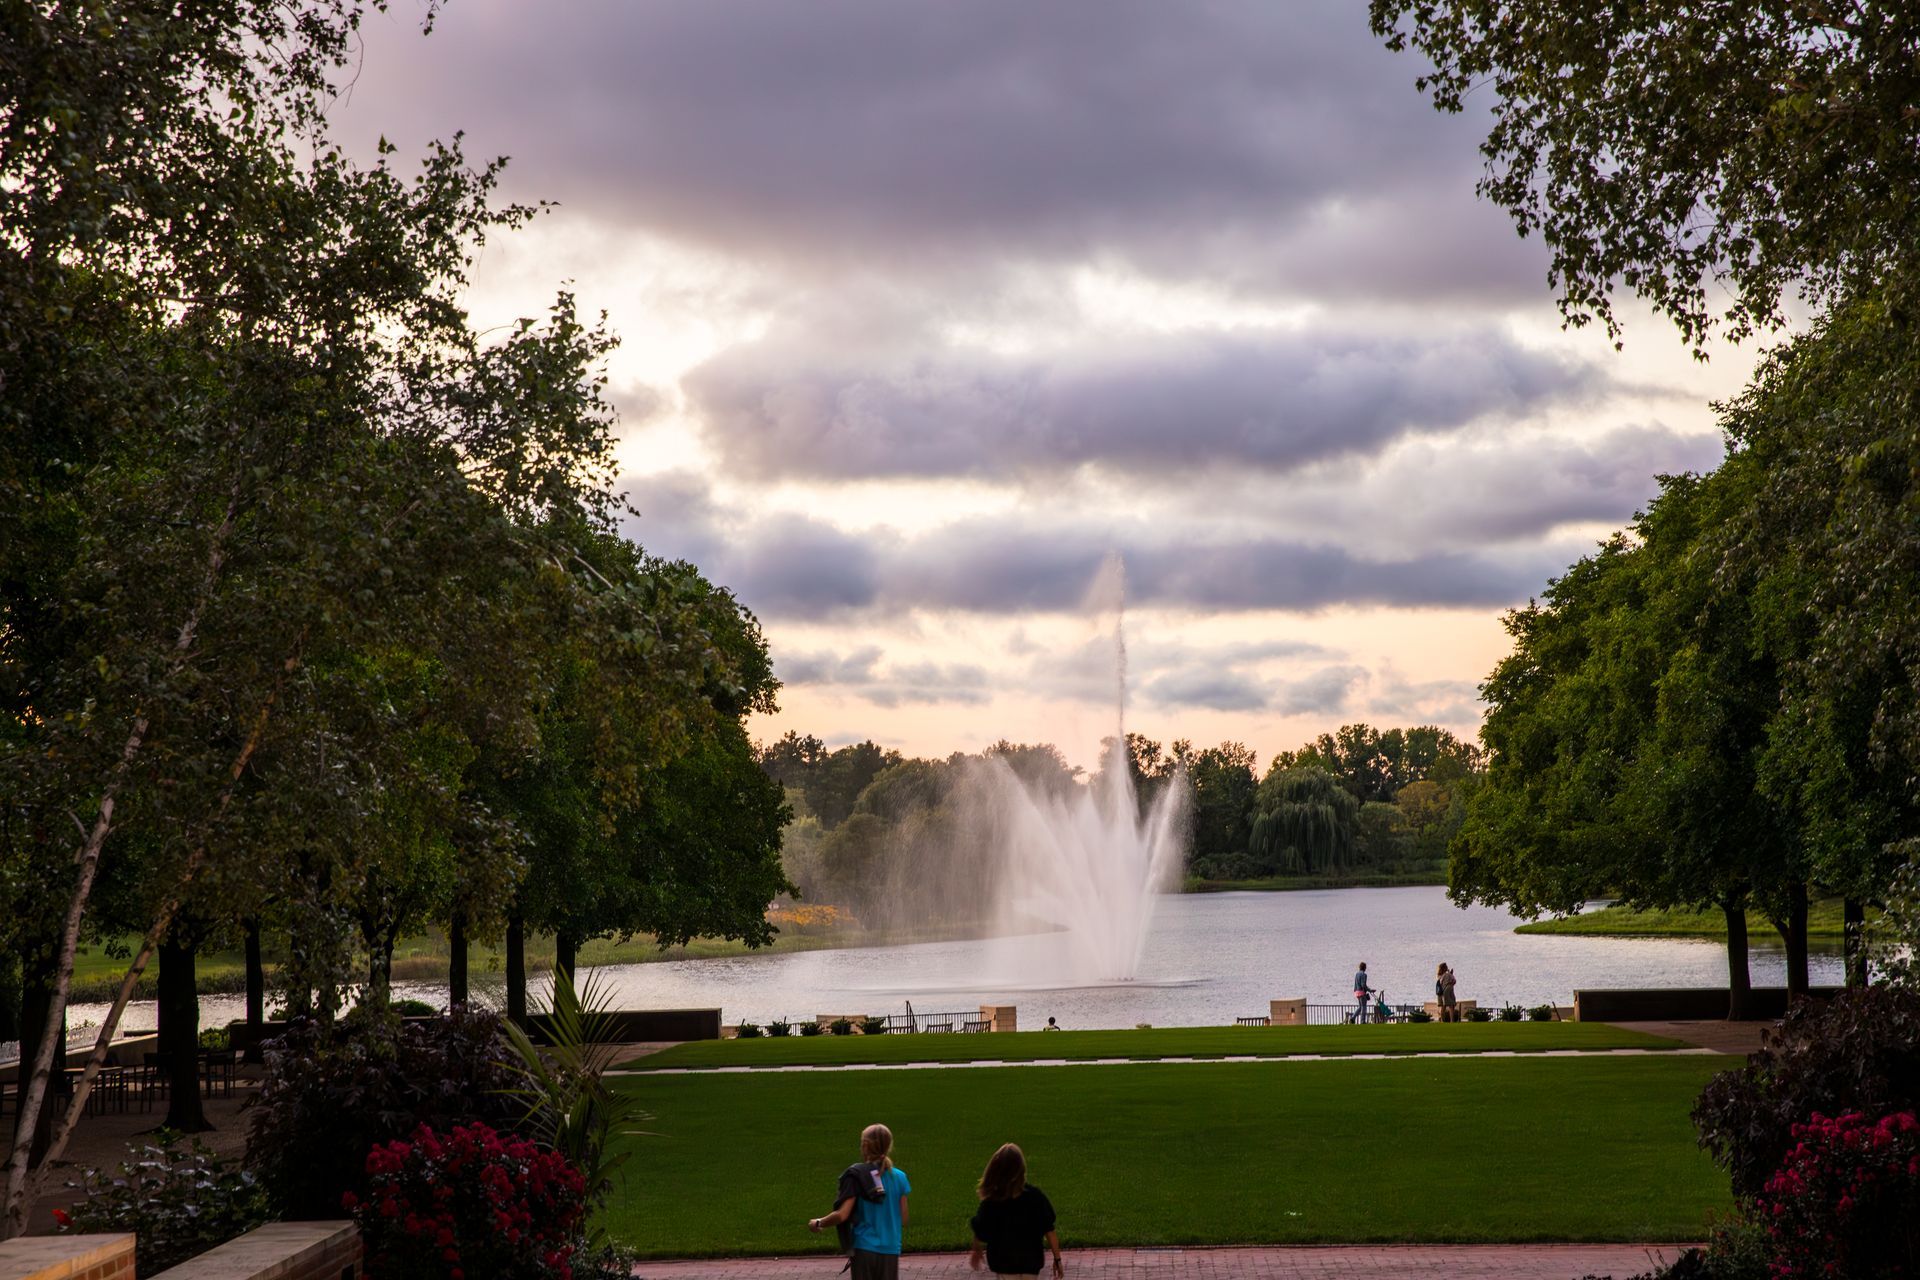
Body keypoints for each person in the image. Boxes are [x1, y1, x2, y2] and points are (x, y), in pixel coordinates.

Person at [809, 1123, 911, 1279]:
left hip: (865, 1248)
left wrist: (819, 1222)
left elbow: (842, 1215)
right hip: (891, 1249)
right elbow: (903, 1219)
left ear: (865, 1145)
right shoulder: (900, 1177)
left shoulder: (858, 1175)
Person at [968, 1143, 1063, 1278]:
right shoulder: (1035, 1197)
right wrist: (1057, 1259)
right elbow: (1049, 1229)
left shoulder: (993, 1201)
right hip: (1030, 1262)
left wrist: (976, 1249)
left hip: (1004, 1263)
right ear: (1021, 1169)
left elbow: (981, 1228)